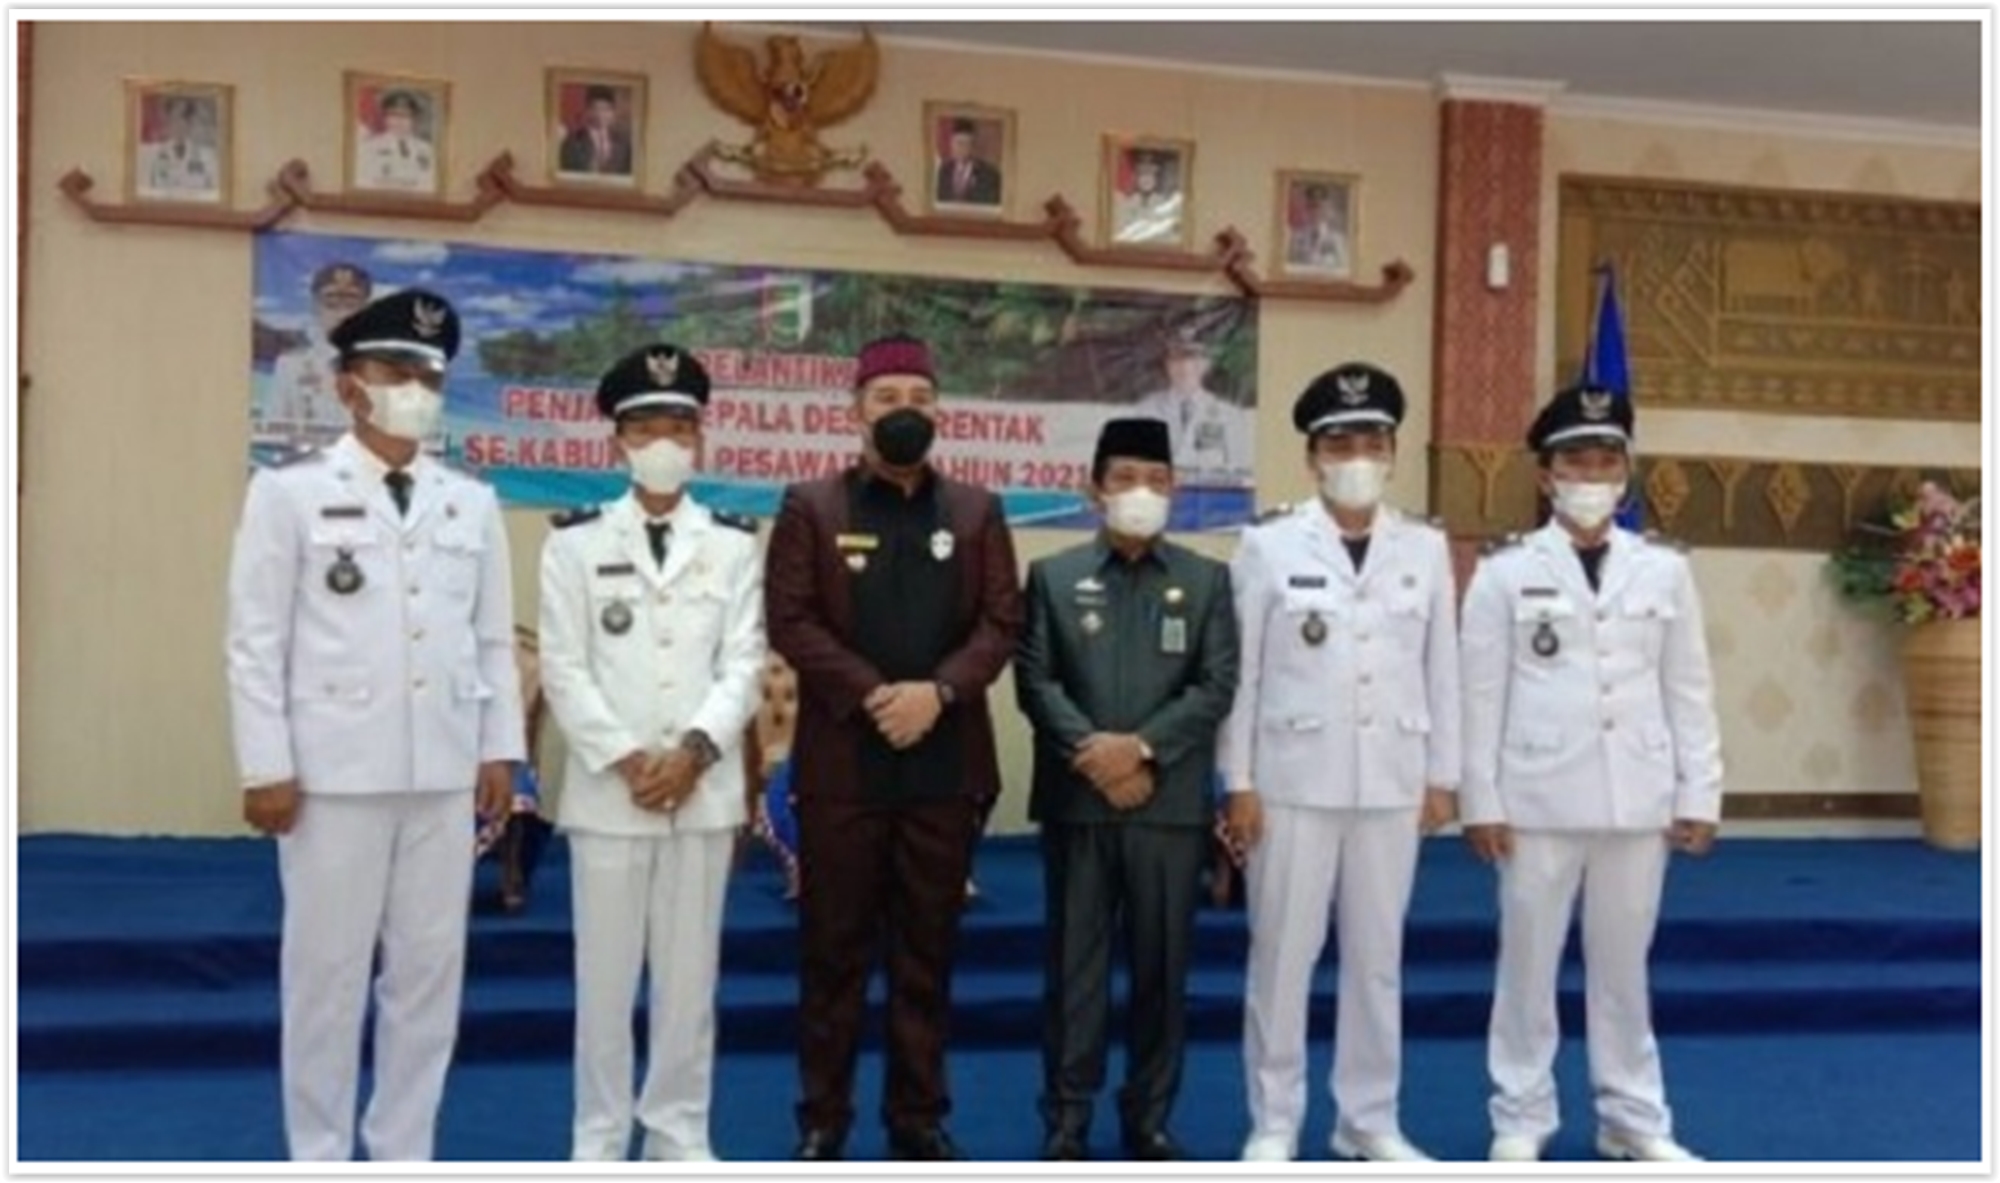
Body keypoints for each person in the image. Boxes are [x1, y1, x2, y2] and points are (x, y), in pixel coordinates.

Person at [224, 288, 523, 1161]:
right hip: (333, 777)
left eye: (430, 375)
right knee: (326, 977)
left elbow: (490, 638)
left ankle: (402, 1152)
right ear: (349, 384)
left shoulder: (470, 501)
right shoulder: (289, 493)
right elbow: (254, 640)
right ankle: (318, 1156)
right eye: (397, 371)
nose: (416, 389)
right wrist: (265, 765)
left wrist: (500, 748)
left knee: (427, 978)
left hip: (441, 774)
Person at [764, 333, 1024, 1162]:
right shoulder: (812, 505)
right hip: (843, 767)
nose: (904, 411)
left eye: (918, 398)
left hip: (945, 767)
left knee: (927, 955)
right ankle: (823, 1118)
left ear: (939, 411)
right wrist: (876, 693)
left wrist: (937, 692)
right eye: (886, 398)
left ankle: (917, 1118)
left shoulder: (977, 511)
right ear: (856, 412)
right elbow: (790, 618)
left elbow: (1002, 622)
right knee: (832, 955)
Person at [1459, 383, 1723, 1163]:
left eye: (1607, 460)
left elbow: (1689, 686)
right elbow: (1480, 694)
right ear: (1546, 474)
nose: (1592, 475)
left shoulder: (1664, 569)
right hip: (1536, 796)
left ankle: (1633, 1116)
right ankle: (1521, 1113)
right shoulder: (1506, 570)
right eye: (1576, 460)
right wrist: (1480, 798)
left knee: (1623, 970)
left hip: (1637, 796)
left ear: (1626, 472)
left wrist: (1699, 789)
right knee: (1527, 965)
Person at [1220, 363, 1461, 1163]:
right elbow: (1243, 674)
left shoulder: (1424, 546)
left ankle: (1369, 1119)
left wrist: (1443, 774)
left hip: (1392, 779)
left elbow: (1443, 666)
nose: (1357, 456)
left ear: (1392, 451)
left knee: (1377, 961)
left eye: (1371, 441)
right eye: (1340, 443)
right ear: (1313, 456)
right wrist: (1238, 781)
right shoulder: (1267, 544)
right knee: (1282, 958)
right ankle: (1274, 1120)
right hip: (1292, 781)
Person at [538, 343, 766, 1161]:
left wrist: (695, 752)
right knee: (603, 982)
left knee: (688, 981)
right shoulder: (573, 543)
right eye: (645, 428)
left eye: (679, 426)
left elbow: (745, 663)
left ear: (699, 439)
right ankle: (598, 1140)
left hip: (701, 792)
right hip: (611, 794)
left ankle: (678, 1134)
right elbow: (563, 667)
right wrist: (633, 759)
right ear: (617, 441)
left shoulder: (733, 544)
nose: (664, 442)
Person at [1016, 418, 1240, 1162]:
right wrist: (1096, 755)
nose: (1141, 492)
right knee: (1074, 971)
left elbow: (1216, 684)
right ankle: (1067, 1118)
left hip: (1167, 805)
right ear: (1094, 489)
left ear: (1174, 489)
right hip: (1080, 803)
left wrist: (1140, 750)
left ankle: (1148, 1117)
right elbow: (1035, 680)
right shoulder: (1052, 576)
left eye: (1156, 479)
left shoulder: (1207, 579)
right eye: (1125, 478)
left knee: (1161, 972)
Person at [266, 263, 374, 446]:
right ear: (315, 306)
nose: (341, 312)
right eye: (331, 302)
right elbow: (273, 433)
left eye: (351, 302)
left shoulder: (388, 367)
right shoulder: (290, 366)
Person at [1131, 329, 1252, 486]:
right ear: (1167, 365)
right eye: (1177, 361)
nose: (1185, 368)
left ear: (1206, 365)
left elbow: (1241, 473)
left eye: (1194, 361)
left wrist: (1193, 478)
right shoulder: (1146, 411)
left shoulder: (1229, 415)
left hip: (1209, 498)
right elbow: (1134, 465)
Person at [136, 95, 221, 199]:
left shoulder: (208, 157)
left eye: (184, 119)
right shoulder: (150, 154)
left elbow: (215, 195)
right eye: (174, 118)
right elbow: (143, 193)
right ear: (167, 121)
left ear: (191, 123)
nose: (179, 124)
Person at [356, 90, 437, 193]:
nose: (399, 121)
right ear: (385, 118)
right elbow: (364, 183)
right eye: (393, 115)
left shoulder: (427, 150)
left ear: (415, 119)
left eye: (405, 116)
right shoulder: (369, 148)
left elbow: (431, 185)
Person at [1111, 149, 1184, 246]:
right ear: (1136, 178)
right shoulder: (1127, 202)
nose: (1146, 180)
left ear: (1156, 178)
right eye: (1142, 175)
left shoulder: (1164, 203)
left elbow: (1172, 233)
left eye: (1150, 175)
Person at [558, 85, 634, 177]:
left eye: (606, 109)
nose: (600, 114)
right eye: (596, 109)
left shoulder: (623, 143)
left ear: (613, 113)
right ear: (587, 111)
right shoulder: (574, 141)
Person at [933, 117, 1002, 206]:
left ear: (973, 146)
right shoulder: (943, 171)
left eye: (964, 144)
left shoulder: (989, 174)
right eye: (957, 143)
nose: (960, 148)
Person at [1286, 184, 1350, 275]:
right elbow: (1288, 267)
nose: (1316, 212)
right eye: (1312, 206)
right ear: (1306, 209)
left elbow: (1344, 269)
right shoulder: (1295, 238)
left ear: (1327, 209)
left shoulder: (1337, 238)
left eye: (1320, 206)